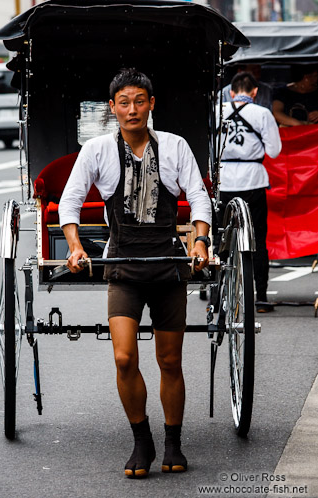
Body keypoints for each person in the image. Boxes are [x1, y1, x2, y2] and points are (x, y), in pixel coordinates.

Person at [59, 68, 212, 478]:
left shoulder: (176, 147)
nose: (132, 109)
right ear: (112, 108)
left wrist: (199, 241)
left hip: (167, 266)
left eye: (139, 100)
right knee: (125, 357)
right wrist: (75, 246)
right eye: (123, 102)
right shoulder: (96, 150)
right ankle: (141, 439)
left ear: (151, 104)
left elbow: (198, 195)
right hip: (123, 266)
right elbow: (69, 201)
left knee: (170, 360)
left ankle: (174, 443)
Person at [218, 72, 282, 313]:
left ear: (232, 92)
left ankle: (218, 294)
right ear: (254, 92)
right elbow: (274, 151)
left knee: (221, 239)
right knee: (258, 240)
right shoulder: (262, 113)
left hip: (224, 182)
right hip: (253, 181)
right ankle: (262, 298)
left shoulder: (217, 110)